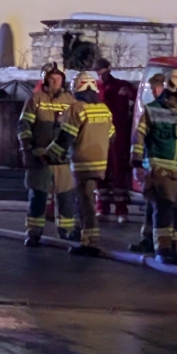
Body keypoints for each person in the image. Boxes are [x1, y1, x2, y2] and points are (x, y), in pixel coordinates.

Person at [135, 69, 177, 266]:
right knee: (163, 211)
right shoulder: (152, 110)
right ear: (173, 88)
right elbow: (138, 138)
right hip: (160, 171)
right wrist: (137, 163)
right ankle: (163, 250)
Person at [49, 71, 115, 257]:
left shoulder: (77, 108)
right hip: (100, 163)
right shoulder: (104, 109)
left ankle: (89, 242)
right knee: (88, 200)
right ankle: (81, 232)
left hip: (82, 163)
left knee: (85, 203)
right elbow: (112, 136)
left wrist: (50, 154)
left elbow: (66, 137)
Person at [20, 62, 78, 246]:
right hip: (40, 156)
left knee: (66, 196)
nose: (55, 82)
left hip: (63, 158)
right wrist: (27, 148)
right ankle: (33, 232)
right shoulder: (35, 99)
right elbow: (24, 126)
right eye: (52, 79)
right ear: (45, 80)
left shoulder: (70, 100)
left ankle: (66, 231)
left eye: (58, 79)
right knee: (38, 196)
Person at [96, 60, 139, 225]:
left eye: (103, 72)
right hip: (100, 134)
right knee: (101, 172)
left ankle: (121, 209)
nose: (101, 76)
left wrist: (129, 93)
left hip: (119, 135)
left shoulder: (121, 85)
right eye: (98, 73)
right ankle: (102, 207)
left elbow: (138, 98)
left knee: (118, 171)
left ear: (109, 70)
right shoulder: (95, 88)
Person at [132, 72, 168, 253]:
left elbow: (139, 137)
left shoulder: (154, 110)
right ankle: (157, 242)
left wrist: (138, 163)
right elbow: (139, 138)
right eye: (152, 89)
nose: (154, 92)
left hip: (160, 167)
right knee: (155, 205)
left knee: (157, 207)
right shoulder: (157, 109)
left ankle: (155, 242)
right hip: (159, 167)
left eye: (156, 88)